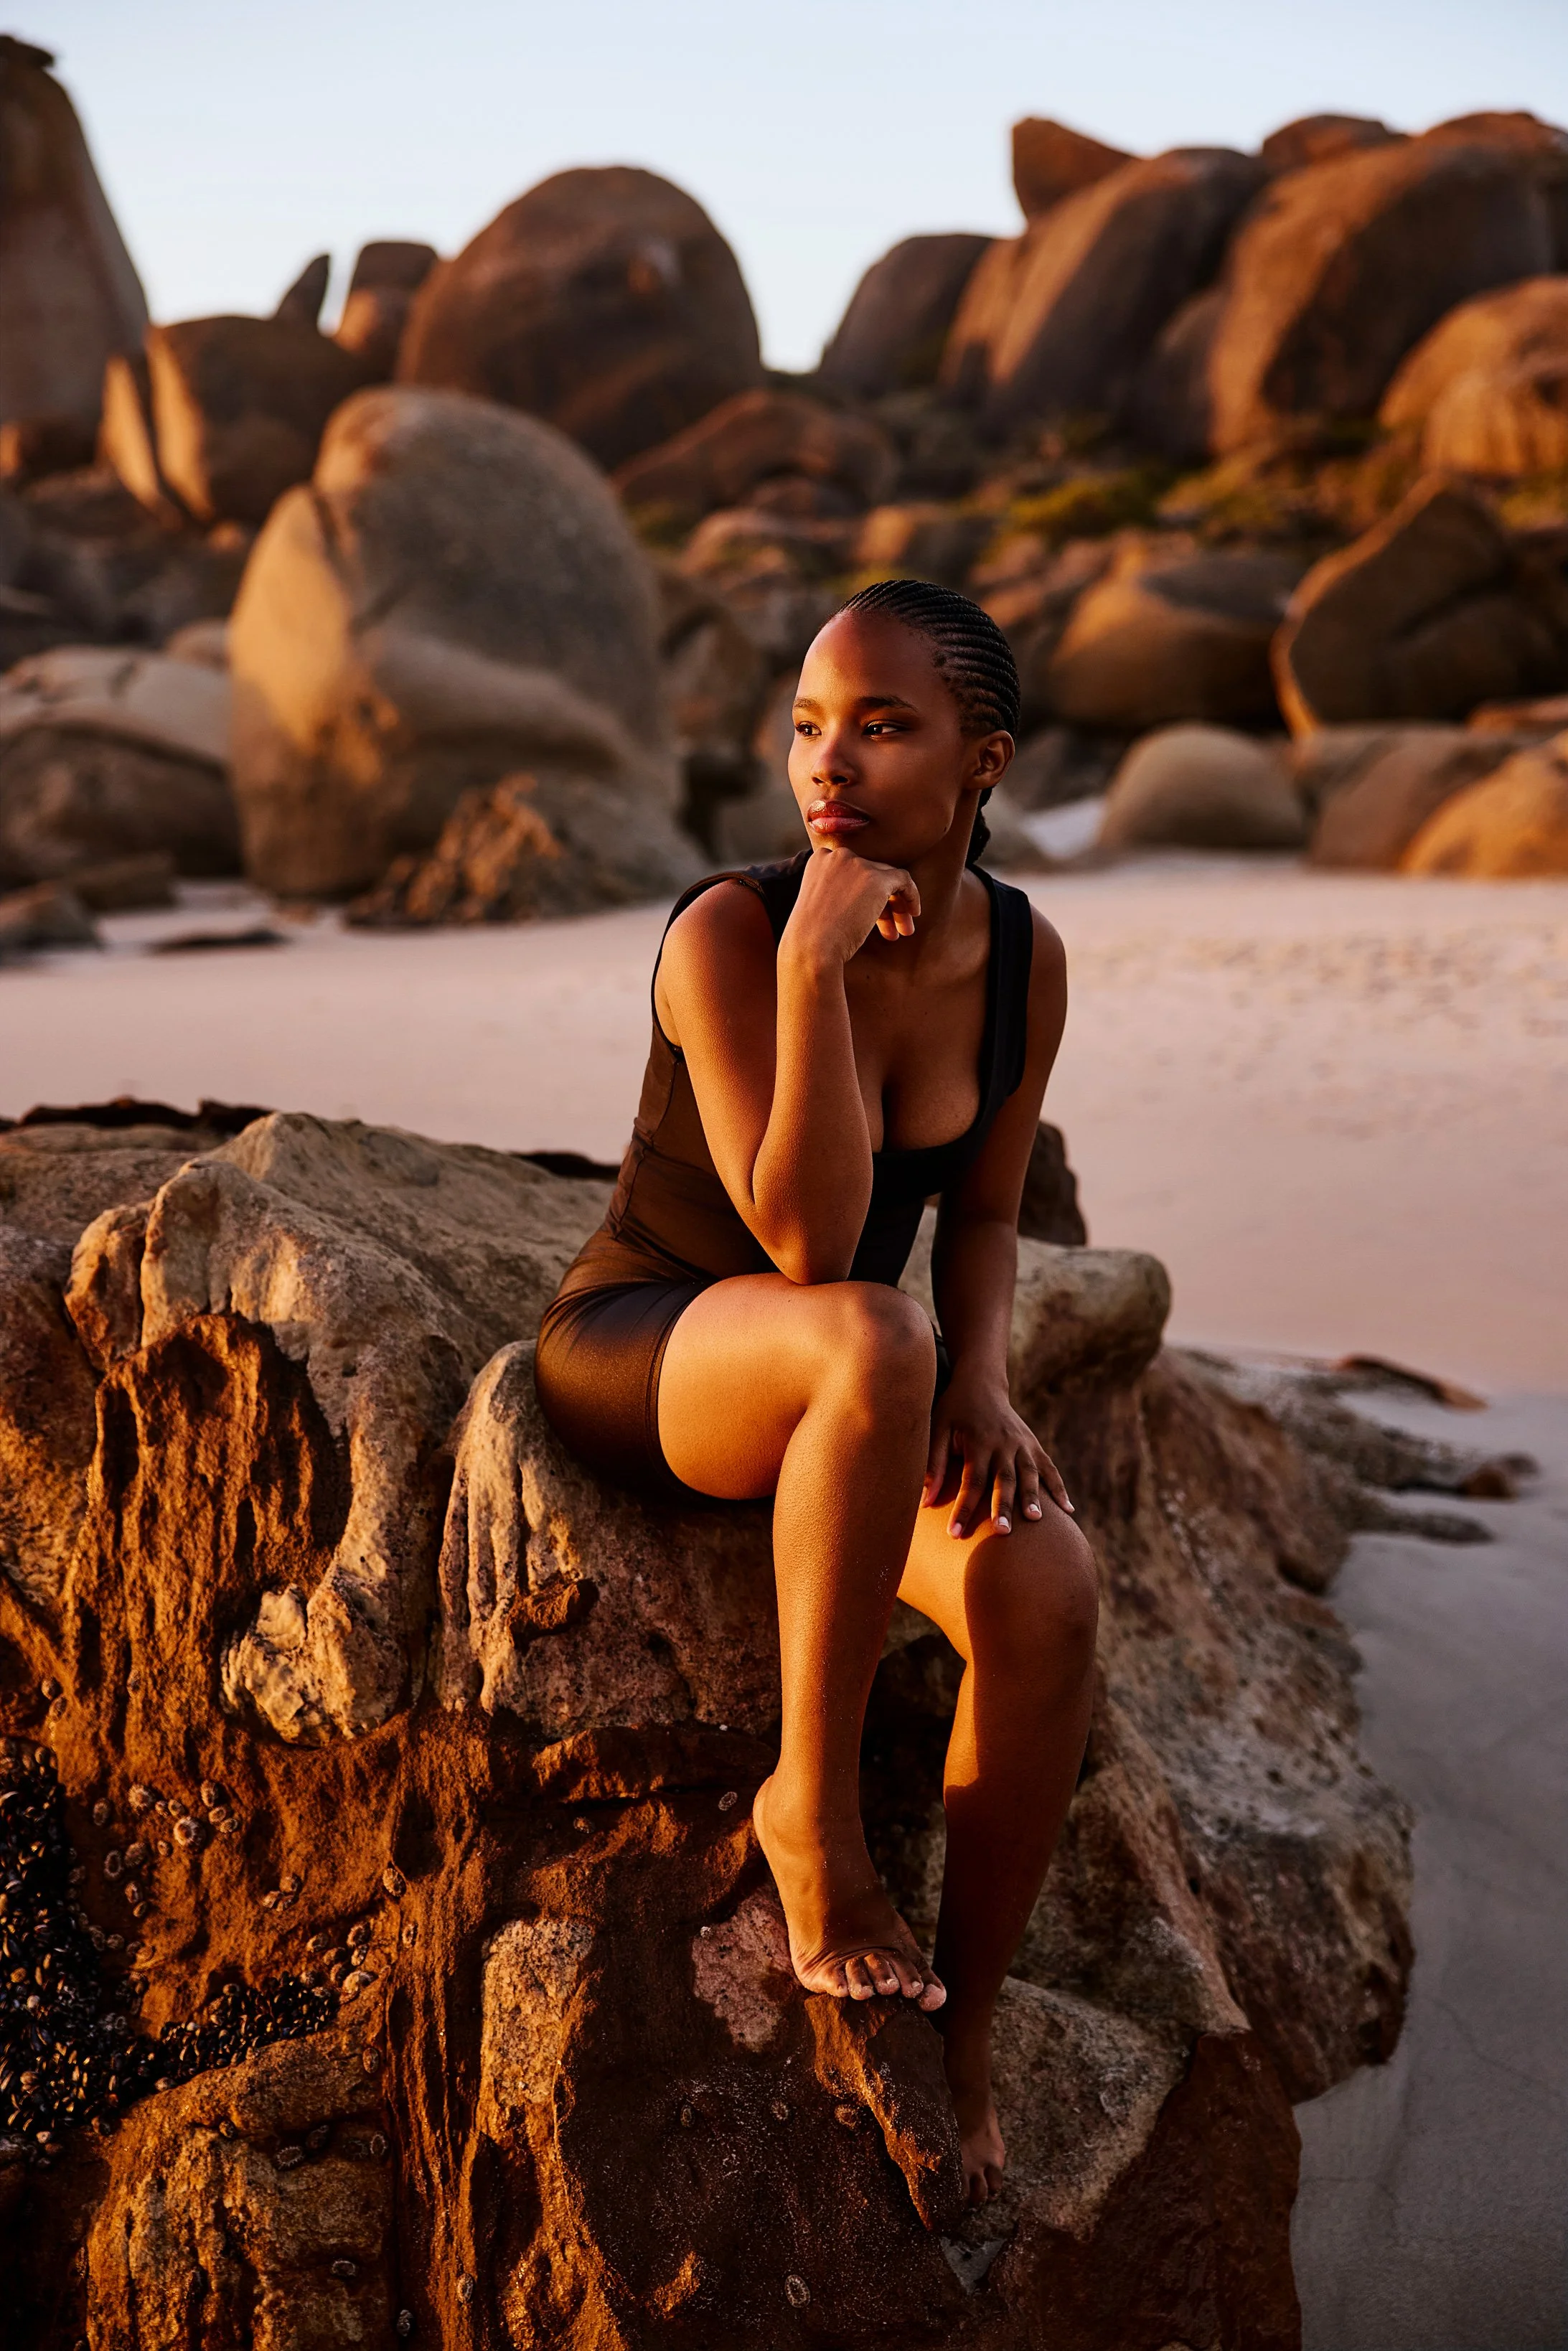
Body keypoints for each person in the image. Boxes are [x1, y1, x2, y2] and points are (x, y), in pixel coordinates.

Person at [536, 578, 1098, 2204]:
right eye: (804, 723)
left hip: (845, 1382)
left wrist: (986, 1383)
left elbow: (987, 1210)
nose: (827, 762)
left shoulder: (1023, 963)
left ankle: (964, 2039)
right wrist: (810, 972)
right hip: (656, 1348)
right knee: (868, 1330)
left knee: (1047, 1577)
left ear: (981, 762)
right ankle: (813, 1814)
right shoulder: (729, 930)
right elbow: (804, 1241)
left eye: (882, 723)